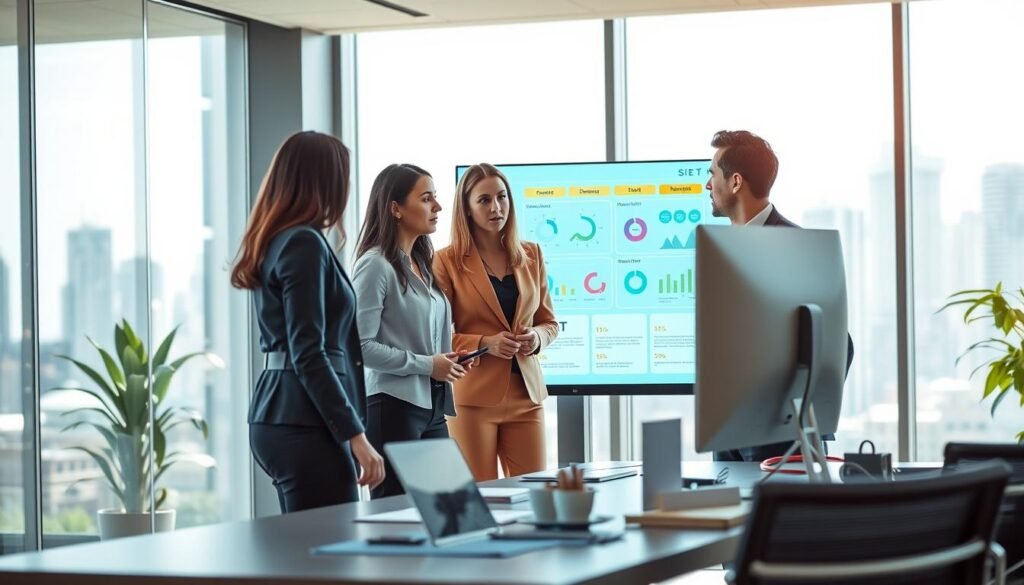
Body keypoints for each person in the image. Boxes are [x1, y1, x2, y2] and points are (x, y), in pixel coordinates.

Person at [230, 131, 385, 513]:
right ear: (324, 181)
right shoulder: (304, 243)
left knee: (304, 555)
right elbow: (309, 354)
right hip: (304, 421)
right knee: (328, 558)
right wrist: (356, 436)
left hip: (284, 416)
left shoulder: (277, 240)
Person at [704, 129, 854, 462]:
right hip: (729, 438)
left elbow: (839, 346)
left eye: (712, 173)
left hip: (784, 444)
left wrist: (795, 414)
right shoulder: (723, 252)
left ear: (736, 181)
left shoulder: (797, 248)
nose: (707, 185)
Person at [433, 163, 559, 481]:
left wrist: (537, 338)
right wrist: (484, 344)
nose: (496, 207)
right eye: (484, 200)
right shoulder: (446, 261)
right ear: (467, 208)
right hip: (473, 400)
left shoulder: (532, 254)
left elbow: (549, 322)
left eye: (502, 197)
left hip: (526, 396)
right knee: (480, 497)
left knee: (532, 494)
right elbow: (434, 336)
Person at [353, 163, 467, 499]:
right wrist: (428, 364)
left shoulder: (422, 266)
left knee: (453, 514)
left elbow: (421, 339)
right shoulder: (375, 265)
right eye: (427, 199)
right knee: (396, 520)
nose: (438, 207)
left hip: (431, 407)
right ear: (395, 208)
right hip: (391, 408)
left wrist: (445, 360)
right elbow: (360, 346)